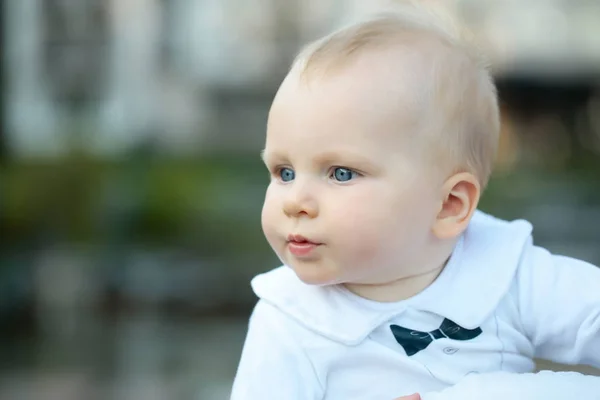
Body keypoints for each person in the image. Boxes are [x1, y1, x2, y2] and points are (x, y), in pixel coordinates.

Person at [230, 1, 600, 399]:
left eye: (341, 173)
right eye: (284, 172)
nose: (295, 201)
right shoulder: (289, 320)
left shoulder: (506, 271)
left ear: (449, 206)